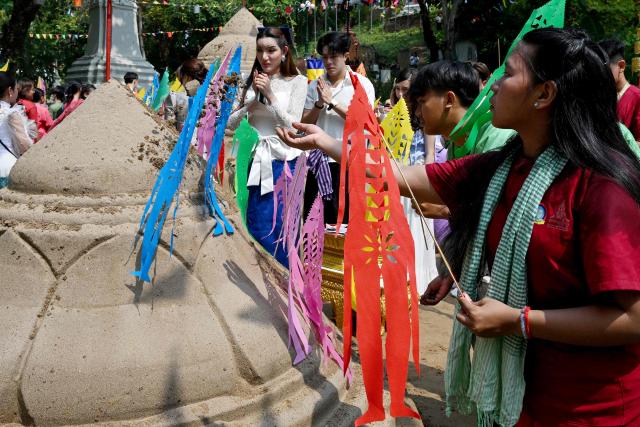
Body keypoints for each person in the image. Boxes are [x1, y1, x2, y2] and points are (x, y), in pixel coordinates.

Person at [278, 28, 640, 426]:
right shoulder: (506, 164)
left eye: (509, 74)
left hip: (594, 407)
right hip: (525, 393)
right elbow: (404, 175)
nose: (493, 86)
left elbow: (634, 318)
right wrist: (326, 144)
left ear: (543, 94)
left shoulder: (600, 188)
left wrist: (518, 320)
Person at [227, 27, 307, 267]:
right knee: (256, 223)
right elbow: (230, 124)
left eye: (271, 50)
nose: (265, 57)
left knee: (282, 226)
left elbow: (293, 126)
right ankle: (266, 283)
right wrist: (253, 102)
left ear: (284, 52)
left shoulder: (298, 82)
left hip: (285, 160)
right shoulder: (249, 82)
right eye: (260, 50)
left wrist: (270, 96)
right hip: (257, 159)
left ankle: (286, 284)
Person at [301, 31, 375, 224]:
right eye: (324, 57)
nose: (328, 62)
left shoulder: (362, 85)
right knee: (314, 222)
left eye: (333, 56)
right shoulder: (314, 86)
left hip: (350, 163)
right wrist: (319, 103)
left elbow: (366, 122)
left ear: (346, 55)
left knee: (347, 223)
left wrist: (331, 102)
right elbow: (305, 124)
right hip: (319, 164)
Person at [599, 38, 640, 141]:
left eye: (603, 69)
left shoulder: (637, 97)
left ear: (621, 66)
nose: (599, 74)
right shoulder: (598, 96)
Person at [0, 73, 33, 188]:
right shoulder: (12, 114)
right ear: (10, 90)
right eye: (16, 89)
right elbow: (24, 144)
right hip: (6, 168)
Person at [165, 59, 208, 131]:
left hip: (181, 140)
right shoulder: (212, 98)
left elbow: (169, 125)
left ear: (187, 76)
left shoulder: (174, 97)